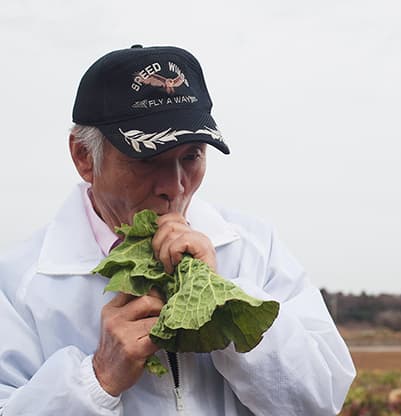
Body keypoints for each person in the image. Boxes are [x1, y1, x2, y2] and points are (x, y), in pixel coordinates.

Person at [0, 45, 355, 415]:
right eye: (147, 159)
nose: (175, 185)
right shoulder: (18, 285)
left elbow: (321, 401)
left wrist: (224, 303)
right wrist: (97, 380)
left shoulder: (252, 248)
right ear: (84, 158)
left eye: (191, 156)